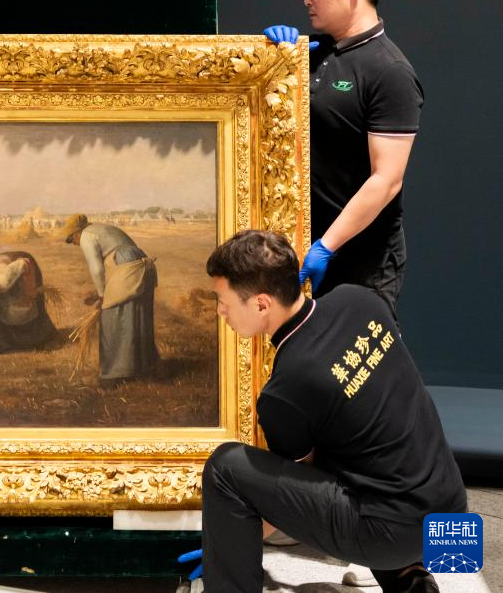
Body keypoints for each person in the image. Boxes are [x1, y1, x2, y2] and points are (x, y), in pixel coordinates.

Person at [178, 230, 464, 592]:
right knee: (357, 453)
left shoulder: (286, 389)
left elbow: (294, 493)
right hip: (450, 511)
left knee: (227, 467)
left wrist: (225, 544)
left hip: (392, 535)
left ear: (261, 304)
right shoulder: (360, 300)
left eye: (224, 301)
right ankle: (412, 583)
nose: (220, 312)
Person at [264, 0, 422, 316]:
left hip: (362, 264)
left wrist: (327, 246)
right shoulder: (313, 53)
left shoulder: (390, 72)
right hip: (303, 250)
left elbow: (386, 180)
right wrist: (272, 60)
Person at [61, 214, 161, 386]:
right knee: (138, 316)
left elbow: (97, 269)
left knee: (111, 318)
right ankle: (144, 369)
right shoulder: (101, 229)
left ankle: (113, 375)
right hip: (139, 266)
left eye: (72, 240)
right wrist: (101, 291)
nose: (75, 244)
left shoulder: (86, 236)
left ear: (76, 233)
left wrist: (102, 295)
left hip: (127, 268)